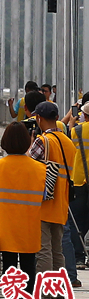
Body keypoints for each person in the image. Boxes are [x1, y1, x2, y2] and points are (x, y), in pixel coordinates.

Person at [0, 121, 46, 299]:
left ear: (5, 142)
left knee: (9, 264)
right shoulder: (40, 169)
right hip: (29, 224)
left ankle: (10, 297)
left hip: (5, 225)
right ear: (27, 142)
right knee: (28, 264)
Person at [28, 101, 77, 299]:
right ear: (57, 118)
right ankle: (58, 295)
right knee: (58, 252)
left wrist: (31, 141)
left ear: (39, 118)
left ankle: (44, 296)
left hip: (43, 202)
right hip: (61, 203)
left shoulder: (43, 141)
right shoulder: (67, 141)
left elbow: (28, 165)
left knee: (43, 252)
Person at [66, 102, 89, 279]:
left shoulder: (77, 131)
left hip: (80, 180)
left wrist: (72, 121)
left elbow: (68, 137)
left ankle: (79, 257)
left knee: (77, 222)